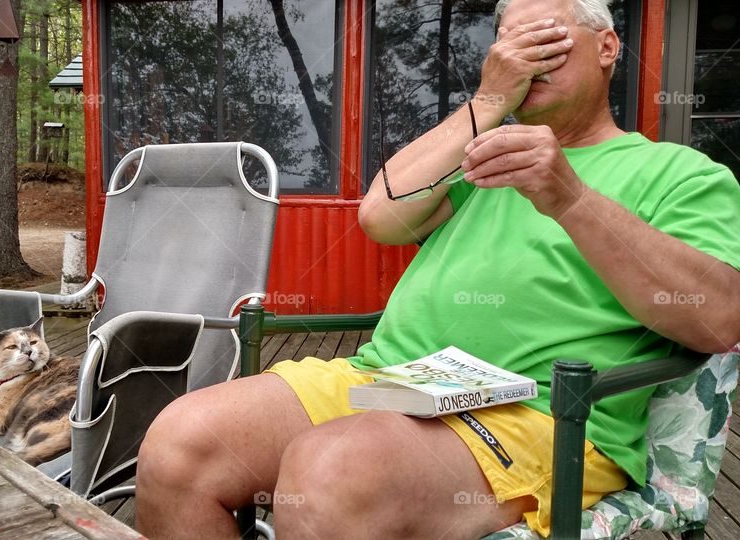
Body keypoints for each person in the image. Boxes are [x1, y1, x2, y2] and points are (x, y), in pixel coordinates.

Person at [135, 0, 740, 537]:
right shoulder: (484, 161)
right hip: (395, 378)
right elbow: (380, 216)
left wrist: (572, 198)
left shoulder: (680, 173)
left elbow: (717, 320)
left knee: (334, 473)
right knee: (178, 445)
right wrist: (489, 101)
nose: (527, 63)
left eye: (547, 43)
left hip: (542, 413)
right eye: (510, 50)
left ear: (607, 47)